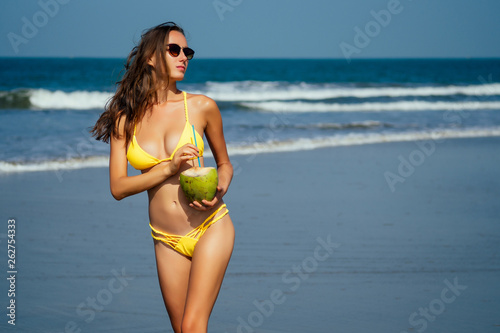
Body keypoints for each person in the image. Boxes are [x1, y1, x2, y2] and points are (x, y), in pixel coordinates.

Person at [91, 22, 235, 333]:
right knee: (181, 329)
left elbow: (224, 164)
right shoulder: (124, 117)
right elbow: (118, 187)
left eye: (187, 51)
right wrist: (168, 169)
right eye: (174, 50)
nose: (183, 56)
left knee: (194, 325)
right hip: (165, 238)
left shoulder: (201, 107)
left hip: (211, 224)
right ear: (151, 57)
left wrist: (220, 188)